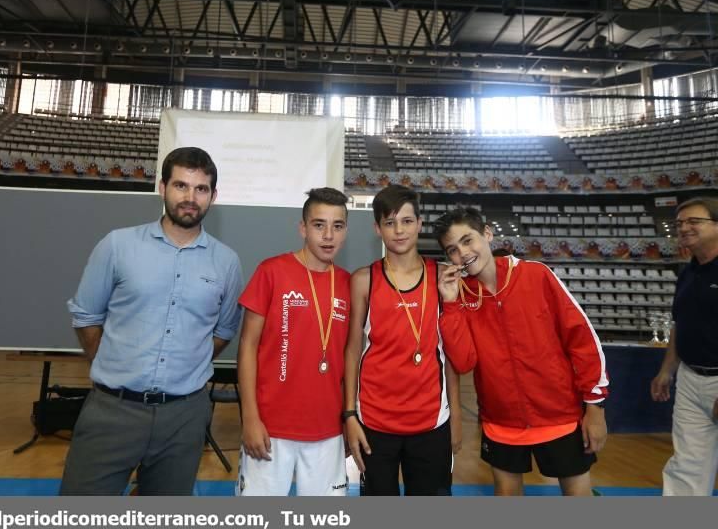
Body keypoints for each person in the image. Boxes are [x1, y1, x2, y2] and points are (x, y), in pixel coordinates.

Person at [60, 147, 243, 496]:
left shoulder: (226, 262)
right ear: (162, 188)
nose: (190, 197)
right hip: (112, 410)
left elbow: (223, 330)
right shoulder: (117, 245)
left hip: (184, 417)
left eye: (201, 189)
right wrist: (109, 363)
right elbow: (86, 315)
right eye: (181, 186)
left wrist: (188, 360)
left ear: (213, 196)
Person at [434, 207, 608, 496]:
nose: (462, 253)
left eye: (468, 240)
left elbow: (583, 340)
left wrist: (595, 408)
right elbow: (464, 362)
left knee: (578, 496)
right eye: (452, 249)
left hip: (560, 416)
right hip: (500, 420)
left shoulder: (536, 275)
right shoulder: (461, 295)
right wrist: (450, 304)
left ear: (487, 234)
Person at [344, 184, 462, 496]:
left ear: (420, 224)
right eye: (390, 222)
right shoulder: (363, 280)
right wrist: (349, 415)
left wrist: (457, 418)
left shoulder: (443, 277)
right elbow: (353, 351)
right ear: (377, 228)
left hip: (432, 422)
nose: (399, 230)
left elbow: (450, 354)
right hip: (374, 422)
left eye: (407, 221)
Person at [236, 187, 351, 496]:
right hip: (271, 429)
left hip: (328, 431)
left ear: (345, 231)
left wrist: (349, 420)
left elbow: (351, 360)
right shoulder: (271, 272)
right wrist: (250, 417)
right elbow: (247, 346)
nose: (328, 235)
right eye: (318, 225)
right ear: (302, 228)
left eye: (337, 226)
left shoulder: (348, 283)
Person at [651, 196, 718, 496]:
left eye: (694, 221)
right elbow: (681, 324)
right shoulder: (688, 272)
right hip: (691, 379)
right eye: (679, 224)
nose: (684, 228)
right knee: (687, 464)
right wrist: (667, 371)